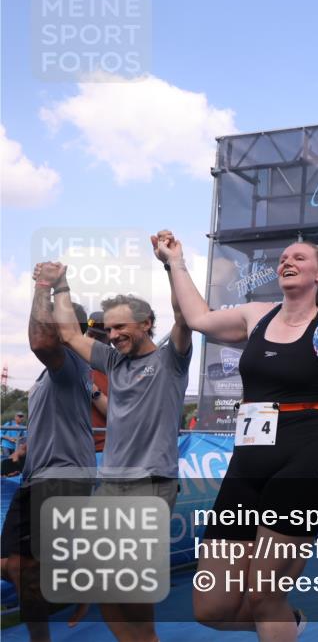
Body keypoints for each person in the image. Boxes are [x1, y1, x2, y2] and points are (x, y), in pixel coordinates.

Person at [156, 230, 318, 641]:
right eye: (282, 259)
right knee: (212, 606)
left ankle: (276, 619)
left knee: (263, 595)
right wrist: (176, 263)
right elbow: (199, 319)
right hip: (247, 464)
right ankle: (290, 624)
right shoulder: (255, 315)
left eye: (298, 257)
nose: (287, 262)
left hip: (303, 463)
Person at [45, 250, 192, 642]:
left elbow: (184, 317)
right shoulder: (112, 362)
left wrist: (170, 264)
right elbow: (70, 334)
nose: (112, 336)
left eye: (120, 327)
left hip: (150, 485)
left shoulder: (170, 362)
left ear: (146, 324)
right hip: (111, 485)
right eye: (108, 330)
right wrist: (60, 283)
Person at [0, 271, 96, 642]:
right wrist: (21, 453)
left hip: (61, 478)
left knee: (25, 569)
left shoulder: (69, 364)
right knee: (10, 564)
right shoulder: (47, 377)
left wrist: (46, 287)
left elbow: (40, 341)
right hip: (38, 475)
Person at [86, 311, 110, 452]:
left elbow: (117, 413)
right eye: (90, 334)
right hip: (73, 451)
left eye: (99, 336)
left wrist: (91, 389)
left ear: (109, 337)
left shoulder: (118, 366)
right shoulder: (73, 359)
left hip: (104, 450)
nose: (93, 339)